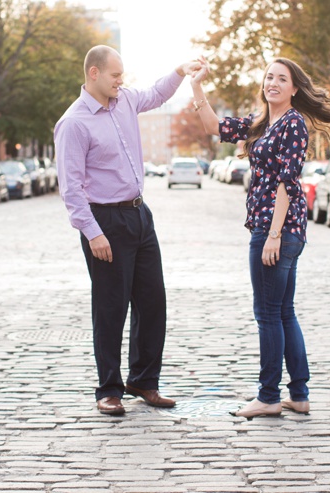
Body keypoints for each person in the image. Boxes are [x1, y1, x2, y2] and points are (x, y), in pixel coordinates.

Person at [189, 56, 330, 418]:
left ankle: (267, 396)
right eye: (269, 77)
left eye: (282, 78)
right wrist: (196, 85)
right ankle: (299, 394)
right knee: (283, 312)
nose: (273, 83)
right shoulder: (263, 123)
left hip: (276, 229)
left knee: (267, 314)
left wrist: (274, 235)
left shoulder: (292, 124)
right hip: (277, 229)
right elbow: (215, 127)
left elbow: (287, 182)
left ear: (294, 88)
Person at [54, 45, 200, 416]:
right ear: (94, 74)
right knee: (111, 307)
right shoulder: (74, 123)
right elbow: (71, 189)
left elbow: (156, 93)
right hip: (105, 222)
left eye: (122, 76)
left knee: (153, 302)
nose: (122, 81)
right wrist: (92, 232)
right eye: (116, 75)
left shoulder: (126, 101)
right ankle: (108, 389)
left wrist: (179, 71)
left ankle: (144, 381)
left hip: (139, 215)